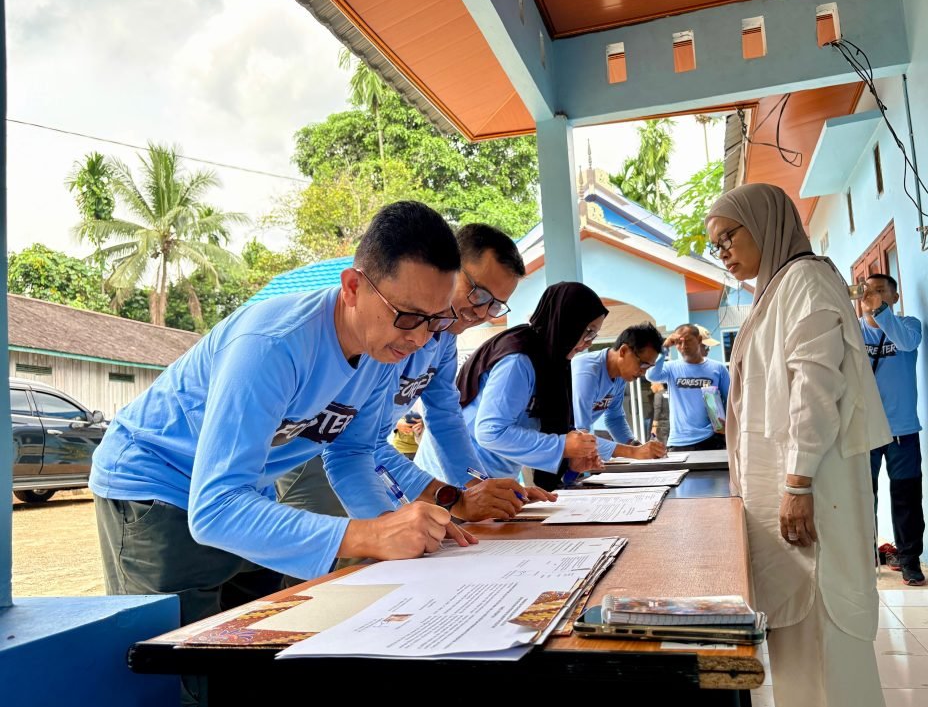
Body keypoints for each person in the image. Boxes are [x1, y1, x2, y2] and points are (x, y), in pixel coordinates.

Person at [89, 201, 475, 633]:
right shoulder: (274, 344)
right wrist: (369, 535)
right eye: (407, 316)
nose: (420, 339)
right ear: (352, 287)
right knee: (177, 659)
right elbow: (214, 507)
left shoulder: (382, 351)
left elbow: (353, 454)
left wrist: (393, 531)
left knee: (260, 640)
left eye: (435, 321)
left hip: (247, 495)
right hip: (158, 489)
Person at [706, 183, 891, 707]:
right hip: (786, 489)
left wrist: (798, 482)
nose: (723, 253)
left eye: (728, 237)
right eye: (716, 247)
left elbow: (815, 388)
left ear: (765, 224)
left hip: (811, 489)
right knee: (798, 645)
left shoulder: (806, 280)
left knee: (826, 635)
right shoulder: (774, 291)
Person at [278, 222, 553, 524]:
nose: (482, 313)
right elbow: (359, 447)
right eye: (478, 295)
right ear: (447, 272)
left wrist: (477, 487)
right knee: (329, 544)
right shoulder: (386, 333)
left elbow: (445, 417)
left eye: (495, 306)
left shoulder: (443, 338)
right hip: (307, 454)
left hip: (355, 456)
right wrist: (454, 499)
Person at [416, 282, 606, 491]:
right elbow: (491, 432)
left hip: (492, 481)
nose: (589, 342)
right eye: (588, 332)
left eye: (593, 335)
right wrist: (561, 446)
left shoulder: (553, 365)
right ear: (568, 322)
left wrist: (570, 463)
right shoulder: (518, 359)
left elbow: (536, 430)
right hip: (451, 480)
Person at [860, 273, 926, 586]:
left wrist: (880, 311)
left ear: (895, 298)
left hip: (903, 430)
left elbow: (907, 343)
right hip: (863, 431)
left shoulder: (909, 325)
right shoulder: (850, 331)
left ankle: (909, 559)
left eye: (879, 290)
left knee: (907, 498)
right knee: (862, 497)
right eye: (866, 291)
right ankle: (864, 557)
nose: (871, 295)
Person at [571, 322, 667, 461]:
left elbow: (614, 418)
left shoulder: (620, 376)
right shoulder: (588, 372)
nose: (643, 372)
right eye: (643, 364)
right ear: (623, 351)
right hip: (549, 446)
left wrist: (636, 446)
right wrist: (633, 452)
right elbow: (580, 435)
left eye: (648, 367)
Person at [645, 323, 730, 451]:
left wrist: (727, 426)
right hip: (679, 441)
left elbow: (730, 400)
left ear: (699, 340)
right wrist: (664, 348)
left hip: (712, 437)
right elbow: (651, 375)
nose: (683, 346)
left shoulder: (718, 368)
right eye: (678, 342)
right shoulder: (671, 368)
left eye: (688, 340)